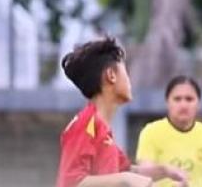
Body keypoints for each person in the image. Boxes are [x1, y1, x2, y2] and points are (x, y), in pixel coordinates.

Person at [56, 37, 188, 187]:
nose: (129, 80)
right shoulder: (86, 124)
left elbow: (128, 170)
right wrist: (125, 179)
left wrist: (164, 171)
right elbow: (71, 182)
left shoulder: (103, 131)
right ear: (111, 75)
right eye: (126, 71)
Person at [136, 76, 202, 187]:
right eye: (177, 99)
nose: (183, 105)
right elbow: (144, 176)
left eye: (189, 99)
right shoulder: (151, 132)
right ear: (167, 102)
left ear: (198, 103)